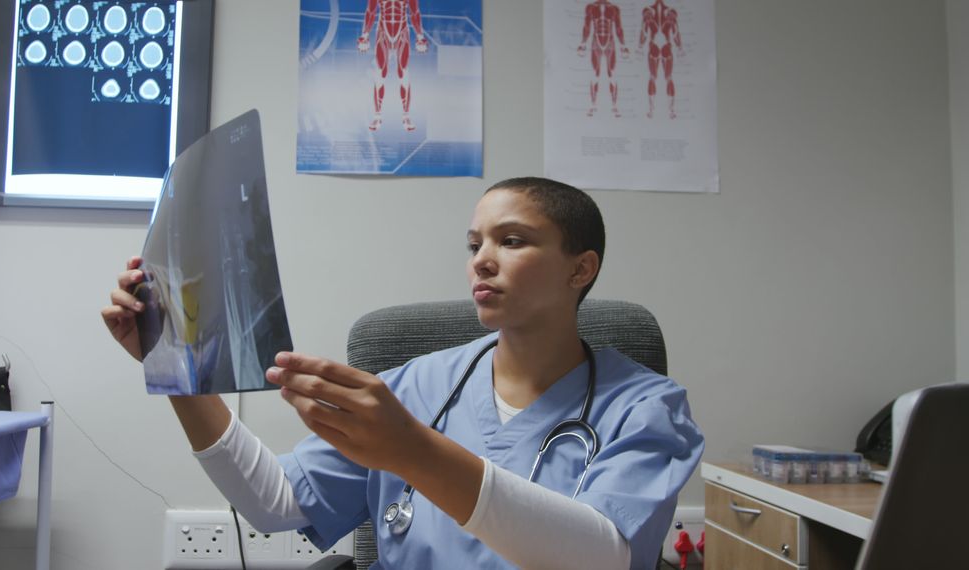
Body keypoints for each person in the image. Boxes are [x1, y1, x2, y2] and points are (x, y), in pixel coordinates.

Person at [102, 177, 704, 569]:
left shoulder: (645, 407)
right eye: (474, 245)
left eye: (513, 240)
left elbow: (604, 555)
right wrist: (177, 370)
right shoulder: (416, 387)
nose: (482, 260)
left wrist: (413, 452)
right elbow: (274, 501)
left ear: (581, 269)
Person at [357, 0, 429, 132]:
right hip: (383, 33)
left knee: (403, 73)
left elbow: (414, 12)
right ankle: (377, 116)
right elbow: (371, 11)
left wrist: (420, 37)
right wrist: (365, 35)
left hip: (402, 33)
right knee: (380, 73)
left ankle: (406, 116)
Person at [577, 0, 629, 118]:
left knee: (612, 74)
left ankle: (614, 106)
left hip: (610, 42)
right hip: (596, 43)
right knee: (595, 73)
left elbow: (619, 29)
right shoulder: (590, 7)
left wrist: (623, 45)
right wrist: (583, 43)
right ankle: (593, 105)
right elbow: (586, 27)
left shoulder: (614, 8)